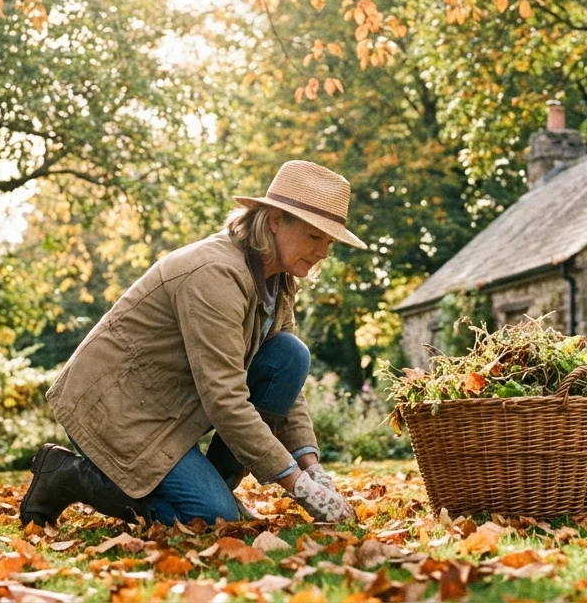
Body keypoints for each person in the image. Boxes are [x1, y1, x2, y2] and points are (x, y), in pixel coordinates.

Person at [18, 160, 362, 526]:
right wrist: (297, 486)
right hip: (117, 410)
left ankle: (216, 491)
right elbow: (225, 399)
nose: (324, 251)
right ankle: (66, 474)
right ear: (276, 220)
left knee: (291, 355)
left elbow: (284, 384)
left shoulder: (278, 281)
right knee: (207, 518)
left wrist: (313, 470)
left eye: (329, 242)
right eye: (314, 237)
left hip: (164, 409)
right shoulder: (215, 274)